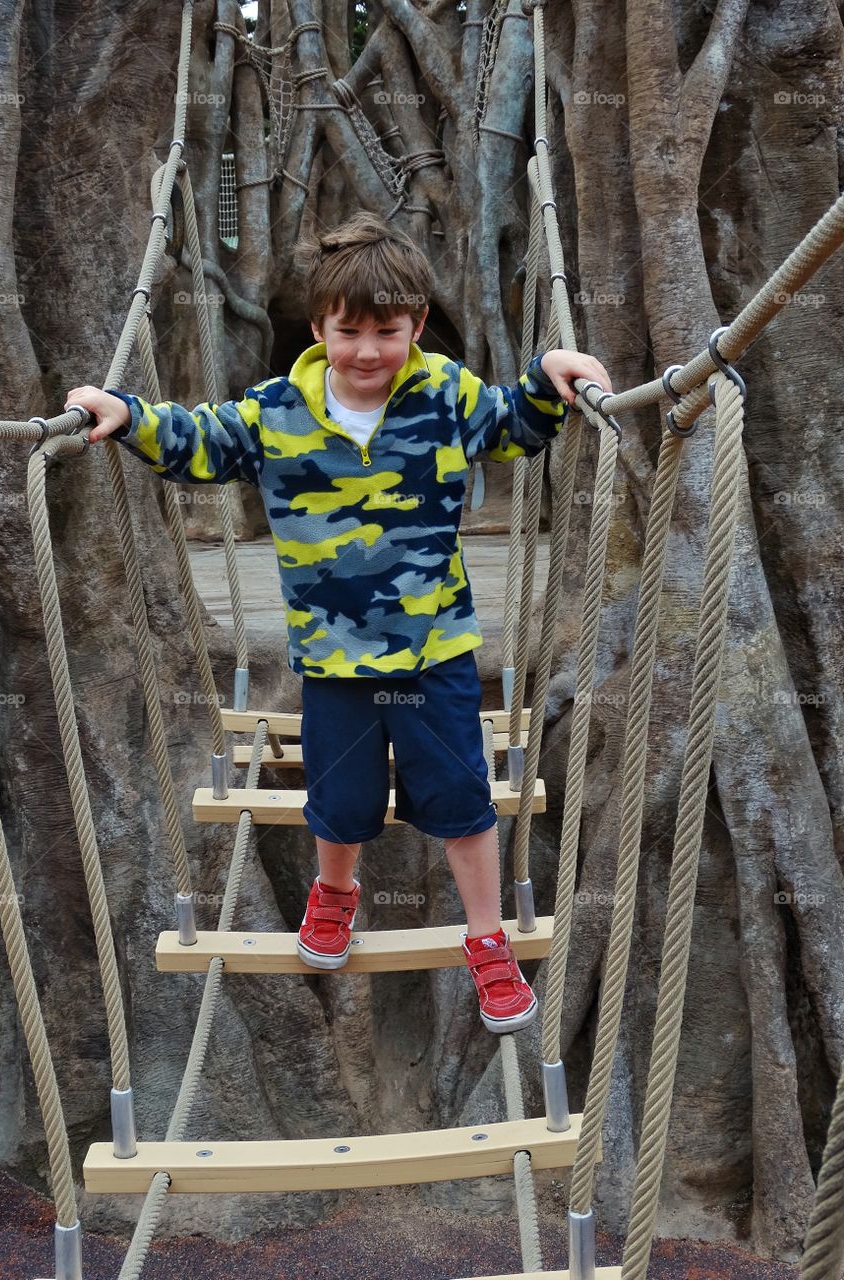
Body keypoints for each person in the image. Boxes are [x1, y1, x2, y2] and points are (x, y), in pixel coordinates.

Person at [65, 211, 611, 1034]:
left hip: (435, 652)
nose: (366, 351)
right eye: (347, 331)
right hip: (333, 657)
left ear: (417, 326)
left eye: (387, 332)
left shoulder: (444, 395)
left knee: (464, 800)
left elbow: (515, 425)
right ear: (318, 328)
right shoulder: (278, 411)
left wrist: (550, 373)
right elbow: (201, 442)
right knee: (340, 801)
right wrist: (128, 414)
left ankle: (488, 938)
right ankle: (335, 894)